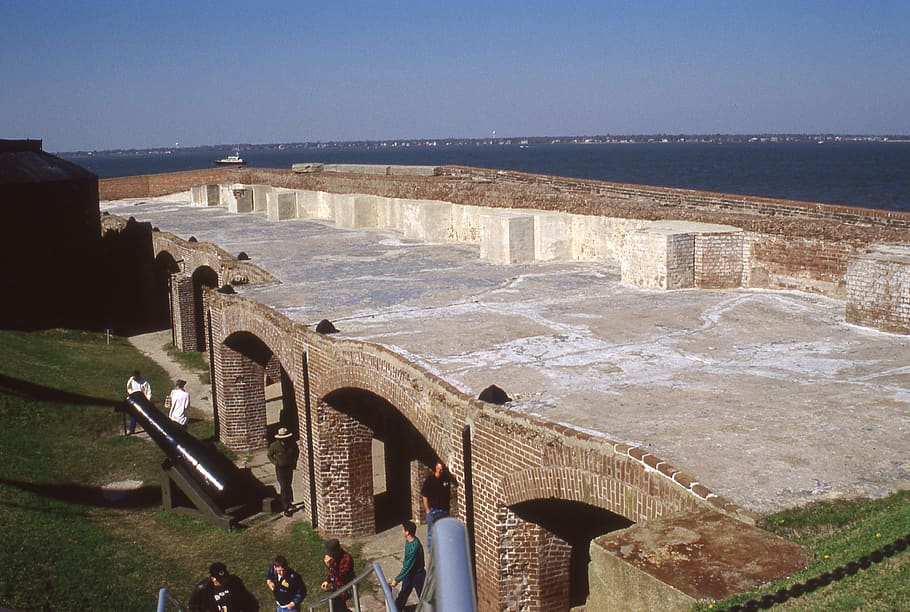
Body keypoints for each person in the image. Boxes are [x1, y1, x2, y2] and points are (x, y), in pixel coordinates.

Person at [388, 520, 426, 611]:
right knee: (403, 594)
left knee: (424, 597)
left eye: (403, 529)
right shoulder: (409, 540)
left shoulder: (414, 547)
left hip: (418, 575)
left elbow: (408, 565)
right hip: (410, 573)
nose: (402, 531)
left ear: (407, 532)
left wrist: (397, 579)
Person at [188, 562, 256, 612]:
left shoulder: (235, 582)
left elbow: (245, 598)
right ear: (213, 579)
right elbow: (193, 607)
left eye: (225, 578)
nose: (224, 581)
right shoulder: (202, 589)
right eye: (220, 580)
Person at [420, 460, 455, 550]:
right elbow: (425, 496)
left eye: (441, 468)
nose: (440, 470)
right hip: (434, 510)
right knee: (432, 532)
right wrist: (428, 511)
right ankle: (431, 551)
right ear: (436, 468)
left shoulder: (446, 480)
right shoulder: (430, 480)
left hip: (444, 511)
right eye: (438, 468)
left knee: (444, 531)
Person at [267, 427, 299, 517]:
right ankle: (285, 508)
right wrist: (276, 462)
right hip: (280, 469)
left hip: (289, 467)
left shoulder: (292, 444)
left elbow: (297, 452)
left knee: (288, 485)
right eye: (283, 438)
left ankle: (289, 502)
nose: (285, 439)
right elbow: (269, 455)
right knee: (283, 486)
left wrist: (294, 461)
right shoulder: (274, 445)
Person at [321, 539, 355, 612]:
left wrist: (329, 565)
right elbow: (332, 574)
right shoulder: (334, 557)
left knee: (335, 608)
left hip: (345, 587)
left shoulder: (346, 559)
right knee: (337, 608)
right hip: (337, 587)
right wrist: (327, 580)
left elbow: (340, 576)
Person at [125, 369, 151, 434]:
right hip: (134, 399)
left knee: (144, 415)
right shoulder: (132, 380)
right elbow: (129, 387)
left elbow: (148, 391)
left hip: (142, 400)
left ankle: (148, 428)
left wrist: (147, 400)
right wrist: (131, 393)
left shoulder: (144, 382)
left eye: (135, 376)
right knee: (133, 415)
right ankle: (131, 430)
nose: (134, 378)